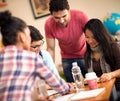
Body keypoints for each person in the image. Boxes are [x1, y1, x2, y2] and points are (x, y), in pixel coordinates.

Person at [0, 10, 73, 101]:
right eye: (28, 36)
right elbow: (59, 85)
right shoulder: (31, 58)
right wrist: (69, 87)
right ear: (22, 37)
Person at [44, 0, 89, 82]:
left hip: (85, 54)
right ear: (51, 15)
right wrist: (50, 70)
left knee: (91, 80)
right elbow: (50, 49)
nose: (61, 21)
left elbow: (92, 37)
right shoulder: (48, 24)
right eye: (56, 18)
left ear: (69, 11)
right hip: (67, 58)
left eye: (64, 16)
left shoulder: (81, 16)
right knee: (71, 87)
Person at [83, 18, 120, 100]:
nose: (90, 41)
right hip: (99, 90)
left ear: (100, 36)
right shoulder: (87, 54)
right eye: (87, 37)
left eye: (93, 37)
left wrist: (110, 75)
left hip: (117, 88)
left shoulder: (113, 47)